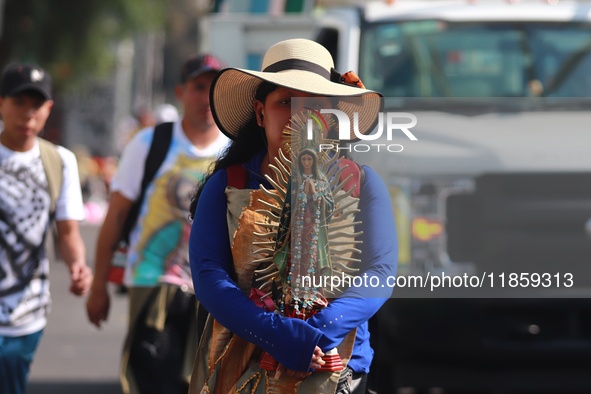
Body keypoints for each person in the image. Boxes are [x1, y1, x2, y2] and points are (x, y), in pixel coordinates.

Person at [188, 38, 397, 394]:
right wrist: (274, 334)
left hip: (336, 367)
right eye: (286, 102)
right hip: (240, 371)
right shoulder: (226, 185)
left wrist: (318, 332)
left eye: (314, 105)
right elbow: (210, 277)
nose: (301, 115)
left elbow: (380, 274)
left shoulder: (361, 185)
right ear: (260, 112)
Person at [85, 53, 229, 394]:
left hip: (213, 291)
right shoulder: (150, 143)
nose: (205, 98)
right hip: (153, 283)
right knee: (151, 382)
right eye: (197, 87)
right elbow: (116, 216)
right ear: (180, 92)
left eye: (213, 89)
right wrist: (98, 285)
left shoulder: (233, 149)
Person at [0, 63, 92, 394]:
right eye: (18, 102)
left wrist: (78, 265)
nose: (28, 113)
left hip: (26, 314)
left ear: (48, 109)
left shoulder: (60, 160)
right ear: (1, 103)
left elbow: (67, 233)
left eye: (36, 104)